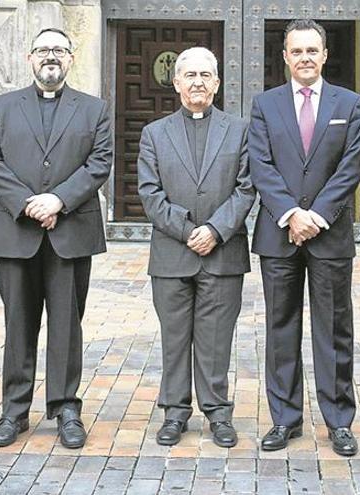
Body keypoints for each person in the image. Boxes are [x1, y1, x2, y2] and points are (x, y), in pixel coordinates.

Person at [0, 27, 112, 449]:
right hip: (16, 231)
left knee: (67, 326)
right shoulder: (1, 107)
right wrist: (28, 203)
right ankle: (14, 411)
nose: (50, 56)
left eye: (58, 50)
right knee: (17, 324)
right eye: (42, 50)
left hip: (70, 230)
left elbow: (100, 162)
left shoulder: (94, 109)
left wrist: (57, 200)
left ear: (71, 58)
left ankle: (66, 407)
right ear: (29, 57)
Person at [248, 19, 360, 456]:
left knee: (334, 329)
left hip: (330, 234)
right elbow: (261, 164)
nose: (305, 59)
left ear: (324, 55)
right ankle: (284, 419)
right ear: (285, 57)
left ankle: (339, 420)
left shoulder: (350, 104)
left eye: (312, 51)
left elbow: (351, 166)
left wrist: (316, 215)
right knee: (281, 328)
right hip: (279, 235)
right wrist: (291, 213)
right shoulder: (265, 104)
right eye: (296, 52)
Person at [137, 47, 255, 448]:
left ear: (217, 83)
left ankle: (218, 411)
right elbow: (149, 194)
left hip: (223, 252)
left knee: (216, 338)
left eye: (206, 75)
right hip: (172, 253)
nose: (198, 83)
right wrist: (189, 230)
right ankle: (174, 411)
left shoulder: (240, 130)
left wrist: (216, 230)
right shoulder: (154, 134)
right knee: (174, 338)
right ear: (177, 83)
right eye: (190, 76)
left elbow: (246, 188)